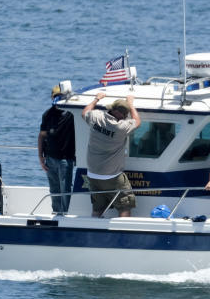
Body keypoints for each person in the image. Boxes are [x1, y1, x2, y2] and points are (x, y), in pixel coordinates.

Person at [81, 92, 141, 217]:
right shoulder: (120, 127)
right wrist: (131, 104)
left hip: (92, 174)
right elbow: (137, 121)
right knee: (125, 205)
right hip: (112, 176)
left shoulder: (96, 117)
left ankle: (94, 231)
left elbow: (84, 113)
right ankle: (123, 233)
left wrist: (96, 99)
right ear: (124, 115)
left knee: (97, 208)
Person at [38, 85, 76, 214]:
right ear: (52, 97)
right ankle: (56, 213)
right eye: (55, 97)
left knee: (65, 189)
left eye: (60, 97)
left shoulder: (71, 114)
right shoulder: (47, 115)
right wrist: (41, 158)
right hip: (50, 158)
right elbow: (42, 136)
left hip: (66, 160)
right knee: (54, 190)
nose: (57, 99)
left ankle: (66, 214)